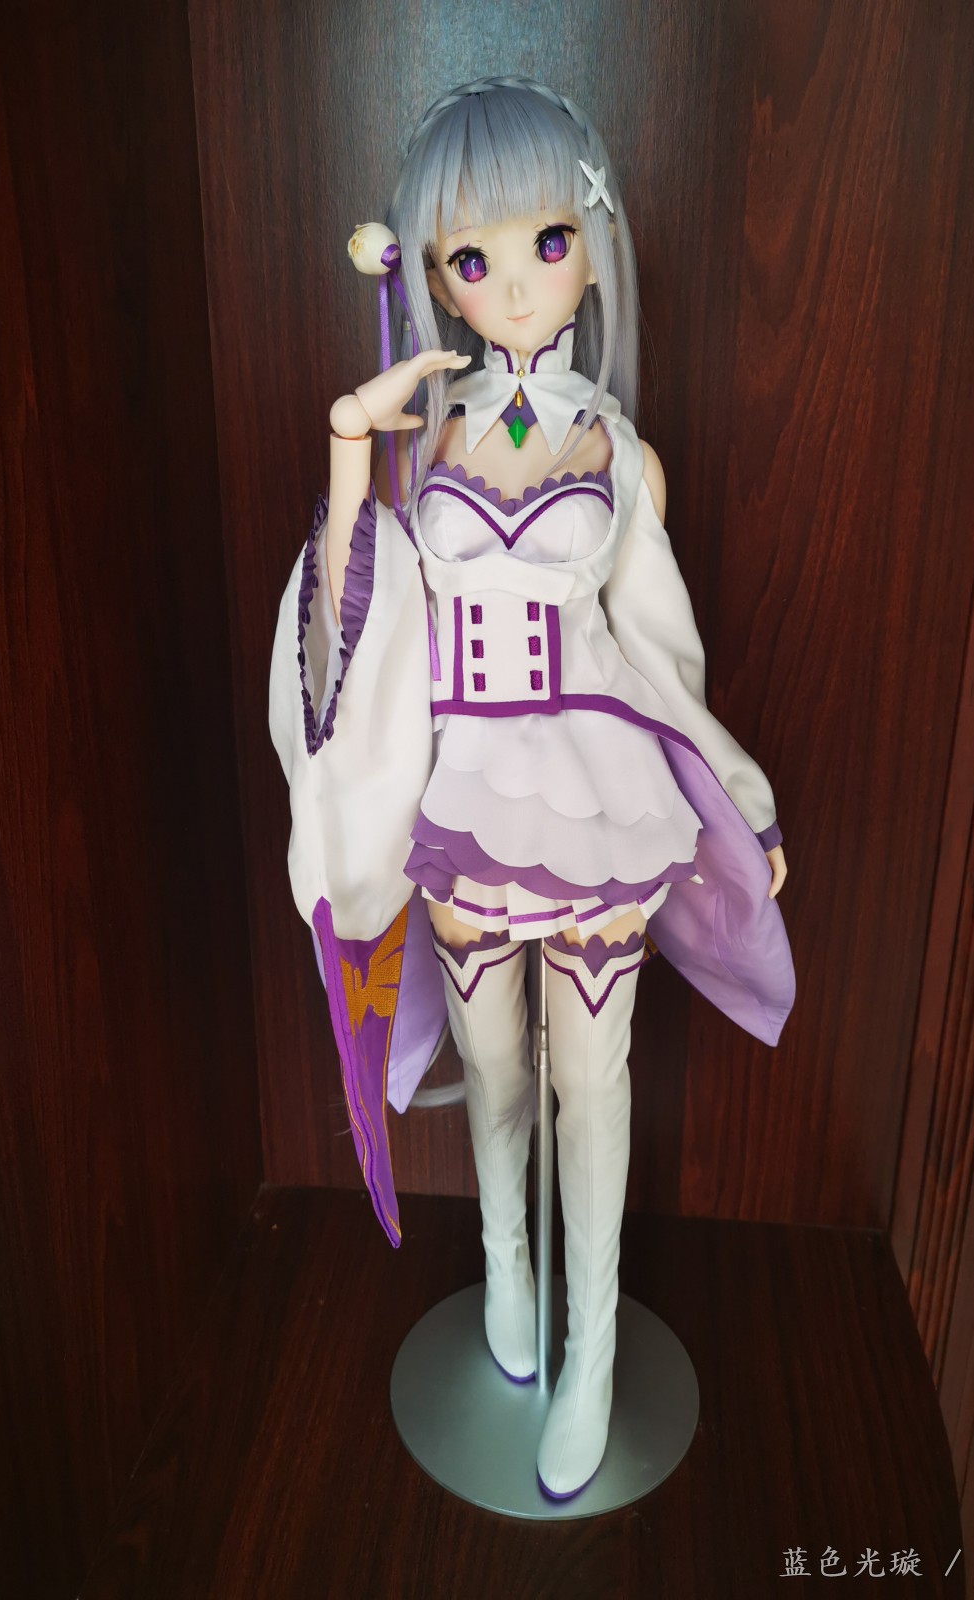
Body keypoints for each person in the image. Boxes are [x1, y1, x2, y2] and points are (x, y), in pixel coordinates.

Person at [269, 76, 795, 1500]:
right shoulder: (419, 442)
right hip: (466, 797)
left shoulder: (624, 458)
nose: (513, 283)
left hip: (597, 785)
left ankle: (596, 1345)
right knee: (496, 1069)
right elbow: (355, 612)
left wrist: (739, 794)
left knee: (594, 1080)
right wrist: (350, 439)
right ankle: (506, 1266)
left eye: (548, 242)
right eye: (472, 255)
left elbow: (660, 650)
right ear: (432, 272)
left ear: (592, 247)